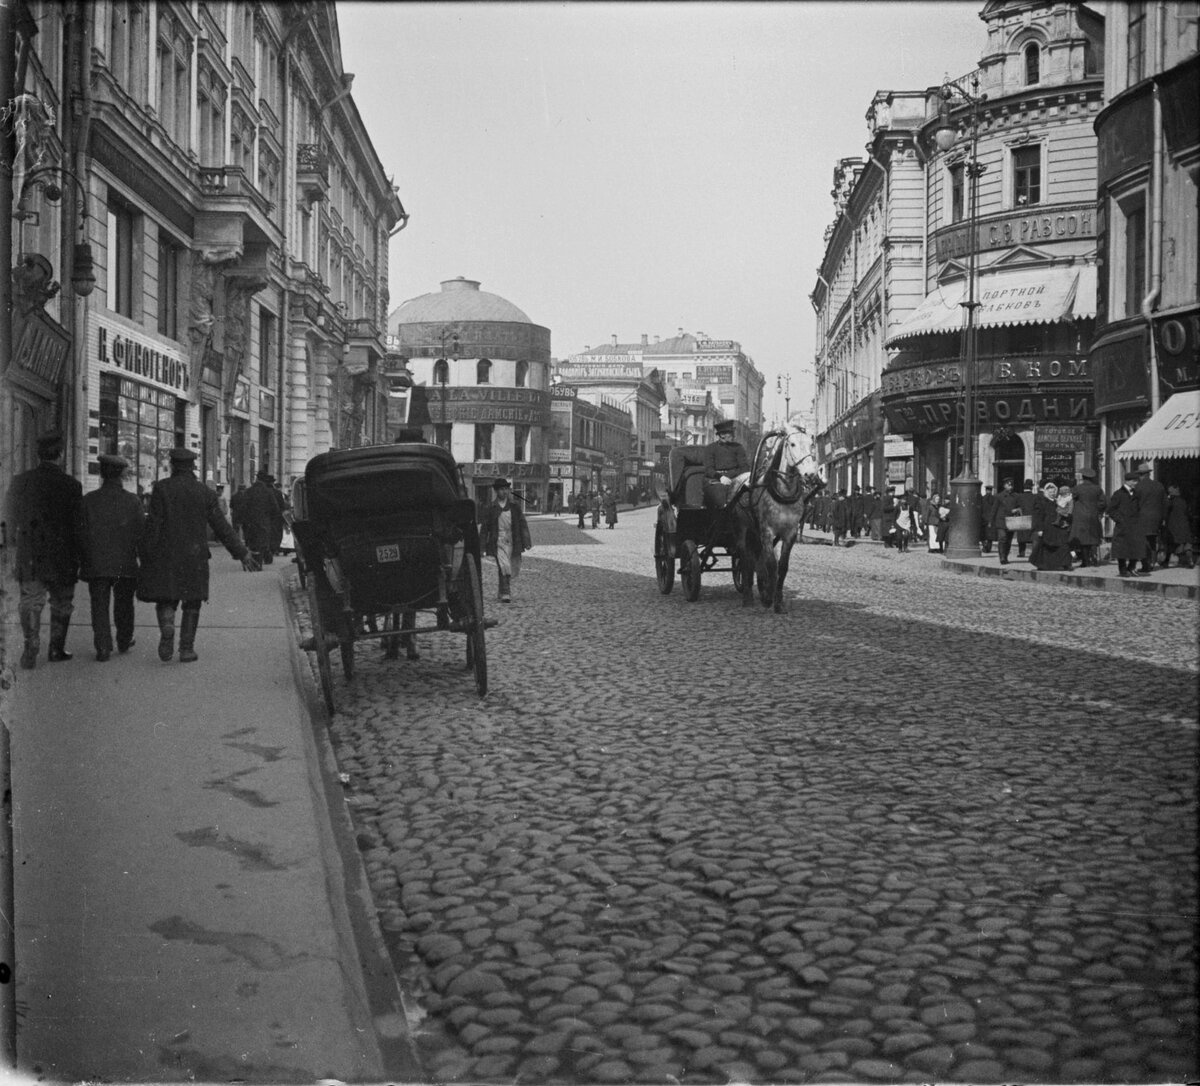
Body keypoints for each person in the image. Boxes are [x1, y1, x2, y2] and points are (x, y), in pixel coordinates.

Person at [137, 447, 260, 662]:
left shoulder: (162, 489)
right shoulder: (205, 492)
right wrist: (242, 553)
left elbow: (153, 525)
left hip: (166, 554)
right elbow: (221, 527)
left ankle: (167, 627)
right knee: (192, 601)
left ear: (173, 466)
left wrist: (146, 552)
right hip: (195, 557)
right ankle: (186, 649)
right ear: (193, 467)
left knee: (167, 597)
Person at [7, 432, 84, 668]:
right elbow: (77, 524)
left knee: (31, 599)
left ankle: (31, 644)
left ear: (38, 455)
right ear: (60, 455)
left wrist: (13, 548)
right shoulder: (72, 485)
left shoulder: (20, 482)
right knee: (62, 602)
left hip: (30, 552)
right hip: (63, 554)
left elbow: (11, 518)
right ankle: (56, 649)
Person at [81, 454, 146, 661]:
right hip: (124, 564)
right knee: (124, 604)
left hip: (97, 563)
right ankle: (124, 640)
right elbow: (140, 534)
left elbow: (80, 533)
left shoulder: (88, 501)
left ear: (102, 474)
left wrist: (84, 559)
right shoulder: (133, 501)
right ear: (122, 474)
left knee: (99, 605)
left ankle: (102, 647)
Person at [478, 478, 531, 603]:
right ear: (496, 491)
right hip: (498, 541)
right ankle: (506, 592)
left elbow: (522, 523)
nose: (505, 492)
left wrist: (526, 541)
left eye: (506, 489)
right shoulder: (491, 507)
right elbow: (485, 529)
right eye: (502, 489)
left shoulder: (514, 506)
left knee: (511, 567)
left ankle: (501, 591)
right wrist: (481, 548)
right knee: (504, 566)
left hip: (512, 540)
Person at [702, 419, 750, 509]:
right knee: (721, 496)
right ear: (722, 435)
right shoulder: (710, 448)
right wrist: (721, 477)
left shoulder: (738, 447)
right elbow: (709, 470)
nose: (734, 435)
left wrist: (737, 479)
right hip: (715, 481)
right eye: (731, 433)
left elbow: (745, 467)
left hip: (736, 479)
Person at [1108, 469, 1144, 578]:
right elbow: (1111, 510)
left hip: (1135, 525)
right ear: (1127, 481)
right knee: (1121, 549)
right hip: (1123, 526)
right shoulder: (1118, 494)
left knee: (1136, 547)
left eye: (1136, 481)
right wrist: (1120, 520)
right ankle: (1122, 570)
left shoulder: (1137, 494)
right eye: (1134, 481)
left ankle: (1131, 567)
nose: (1136, 483)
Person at [240, 470, 281, 565]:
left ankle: (256, 561)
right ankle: (263, 558)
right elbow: (275, 508)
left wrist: (244, 520)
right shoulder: (268, 492)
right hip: (264, 522)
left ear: (257, 478)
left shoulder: (248, 491)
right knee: (263, 542)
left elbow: (243, 508)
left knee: (253, 543)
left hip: (250, 522)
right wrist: (271, 519)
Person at [1031, 480, 1072, 571]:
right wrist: (1040, 529)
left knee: (1062, 544)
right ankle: (1043, 564)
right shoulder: (1042, 501)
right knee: (1046, 547)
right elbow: (1038, 516)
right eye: (1050, 491)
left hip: (1057, 527)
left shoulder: (1057, 501)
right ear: (1046, 492)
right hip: (1047, 527)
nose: (1052, 493)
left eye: (1054, 491)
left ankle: (1063, 564)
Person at [1070, 467, 1106, 568]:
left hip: (1080, 517)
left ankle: (1085, 561)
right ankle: (1094, 558)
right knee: (1093, 537)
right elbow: (1103, 503)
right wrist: (1098, 511)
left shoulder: (1078, 488)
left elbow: (1071, 499)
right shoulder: (1098, 488)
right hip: (1093, 516)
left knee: (1083, 540)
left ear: (1082, 477)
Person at [1134, 463, 1167, 574]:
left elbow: (1134, 504)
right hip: (1156, 518)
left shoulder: (1138, 487)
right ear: (1149, 473)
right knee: (1152, 540)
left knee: (1143, 541)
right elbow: (1165, 504)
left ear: (1140, 475)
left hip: (1142, 517)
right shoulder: (1159, 485)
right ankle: (1152, 562)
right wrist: (1163, 518)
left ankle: (1146, 565)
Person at [1162, 484, 1195, 569]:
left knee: (1171, 544)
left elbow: (1165, 513)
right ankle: (1190, 561)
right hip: (1184, 525)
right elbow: (1188, 513)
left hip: (1173, 526)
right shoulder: (1183, 501)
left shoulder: (1170, 502)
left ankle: (1166, 561)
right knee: (1187, 544)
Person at [991, 478, 1020, 564]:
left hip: (1011, 521)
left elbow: (1019, 507)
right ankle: (1002, 557)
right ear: (1004, 486)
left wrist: (1017, 510)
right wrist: (991, 521)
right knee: (1002, 538)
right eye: (1009, 485)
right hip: (1001, 521)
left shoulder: (1016, 496)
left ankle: (1006, 556)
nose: (1010, 487)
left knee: (1008, 540)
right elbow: (994, 509)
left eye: (1012, 485)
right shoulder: (999, 496)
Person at [1015, 479, 1036, 558]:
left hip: (1022, 518)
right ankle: (1033, 553)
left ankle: (1022, 552)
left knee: (1021, 536)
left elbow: (1016, 507)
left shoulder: (1019, 496)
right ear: (1032, 487)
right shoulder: (1035, 497)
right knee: (1032, 537)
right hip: (1032, 519)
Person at [980, 485, 997, 554]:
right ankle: (988, 548)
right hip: (991, 519)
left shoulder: (982, 498)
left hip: (983, 518)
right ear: (991, 491)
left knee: (983, 534)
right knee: (990, 535)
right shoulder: (994, 499)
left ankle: (984, 546)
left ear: (986, 490)